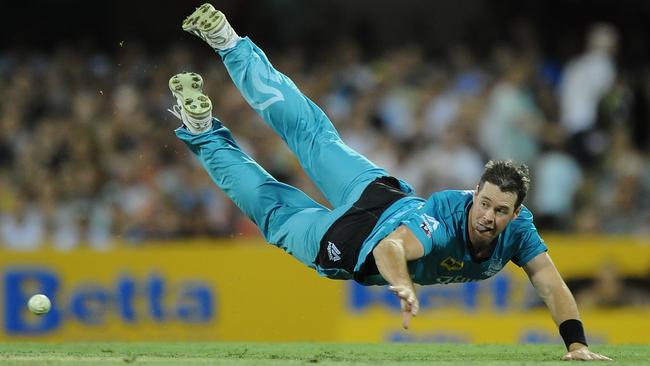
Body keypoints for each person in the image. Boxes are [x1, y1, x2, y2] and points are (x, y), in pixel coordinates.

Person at [168, 3, 611, 361]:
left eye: (500, 211)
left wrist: (576, 344)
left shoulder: (519, 230)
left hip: (378, 192)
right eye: (484, 204)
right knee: (274, 209)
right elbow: (391, 248)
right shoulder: (445, 219)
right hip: (356, 240)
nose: (487, 216)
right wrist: (402, 283)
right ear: (474, 195)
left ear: (516, 213)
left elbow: (550, 283)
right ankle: (217, 90)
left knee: (311, 136)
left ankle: (220, 76)